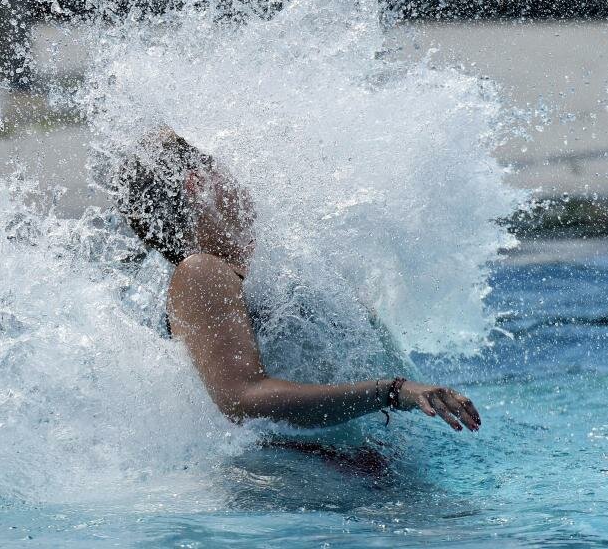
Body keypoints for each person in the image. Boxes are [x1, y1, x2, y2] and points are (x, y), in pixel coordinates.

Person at [115, 127, 481, 433]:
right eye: (221, 165)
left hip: (346, 474)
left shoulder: (267, 273)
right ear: (199, 185)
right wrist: (391, 392)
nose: (237, 176)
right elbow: (242, 400)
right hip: (302, 484)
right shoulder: (201, 272)